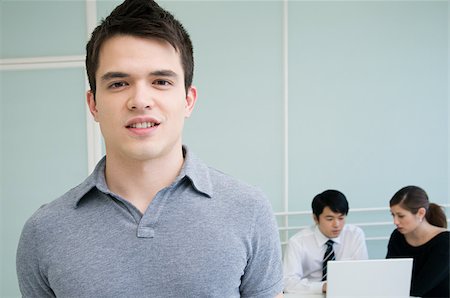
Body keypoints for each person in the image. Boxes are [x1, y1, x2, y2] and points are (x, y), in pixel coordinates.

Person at [16, 1, 283, 297]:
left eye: (160, 81)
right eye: (119, 83)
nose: (140, 100)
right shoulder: (44, 232)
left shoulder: (249, 210)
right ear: (93, 104)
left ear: (188, 100)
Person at [283, 189, 368, 294]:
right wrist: (323, 287)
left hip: (346, 293)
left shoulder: (355, 235)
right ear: (315, 218)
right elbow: (288, 283)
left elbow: (363, 274)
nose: (336, 224)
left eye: (341, 218)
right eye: (329, 219)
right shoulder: (297, 242)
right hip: (310, 294)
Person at [386, 185, 449, 298]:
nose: (395, 221)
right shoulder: (397, 236)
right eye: (393, 215)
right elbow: (390, 275)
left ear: (420, 213)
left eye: (401, 216)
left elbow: (419, 289)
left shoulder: (445, 242)